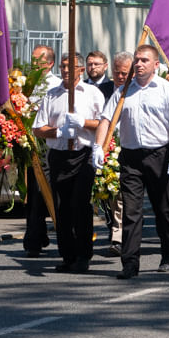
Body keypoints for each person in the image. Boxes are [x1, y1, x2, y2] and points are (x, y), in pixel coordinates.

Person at [94, 44, 169, 279]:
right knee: (131, 212)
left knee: (164, 209)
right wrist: (98, 146)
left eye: (144, 60)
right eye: (137, 60)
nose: (139, 63)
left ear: (156, 64)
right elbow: (106, 119)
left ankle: (168, 253)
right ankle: (130, 263)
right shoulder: (124, 91)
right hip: (131, 157)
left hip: (160, 155)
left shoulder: (167, 89)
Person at [32, 53, 104, 273]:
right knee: (61, 208)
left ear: (80, 70)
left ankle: (84, 255)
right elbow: (38, 128)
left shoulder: (92, 93)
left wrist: (83, 123)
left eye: (70, 66)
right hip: (59, 156)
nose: (65, 70)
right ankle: (68, 255)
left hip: (82, 156)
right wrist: (58, 131)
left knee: (80, 206)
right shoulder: (52, 95)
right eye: (63, 66)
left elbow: (104, 123)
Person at [23, 44, 63, 258]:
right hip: (29, 143)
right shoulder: (26, 83)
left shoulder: (56, 85)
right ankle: (34, 238)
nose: (33, 64)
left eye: (37, 60)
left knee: (46, 193)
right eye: (32, 59)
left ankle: (49, 234)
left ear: (49, 63)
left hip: (48, 144)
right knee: (33, 194)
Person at [100, 51, 133, 258]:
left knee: (120, 196)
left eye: (124, 73)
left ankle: (118, 238)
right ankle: (113, 227)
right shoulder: (102, 90)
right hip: (106, 147)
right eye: (116, 73)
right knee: (106, 195)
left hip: (127, 149)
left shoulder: (135, 91)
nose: (120, 77)